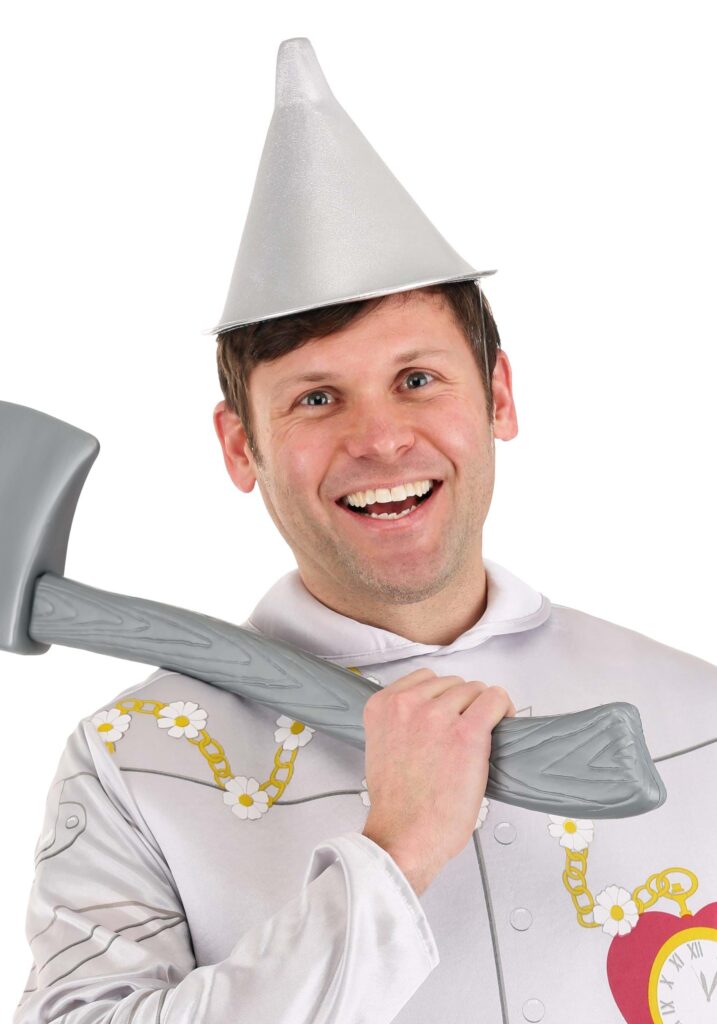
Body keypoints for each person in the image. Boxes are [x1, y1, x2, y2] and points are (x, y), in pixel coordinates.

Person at [13, 37, 717, 1024]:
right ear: (240, 446)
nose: (381, 439)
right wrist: (390, 859)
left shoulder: (696, 713)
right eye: (315, 398)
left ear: (499, 395)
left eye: (417, 379)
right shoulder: (134, 764)